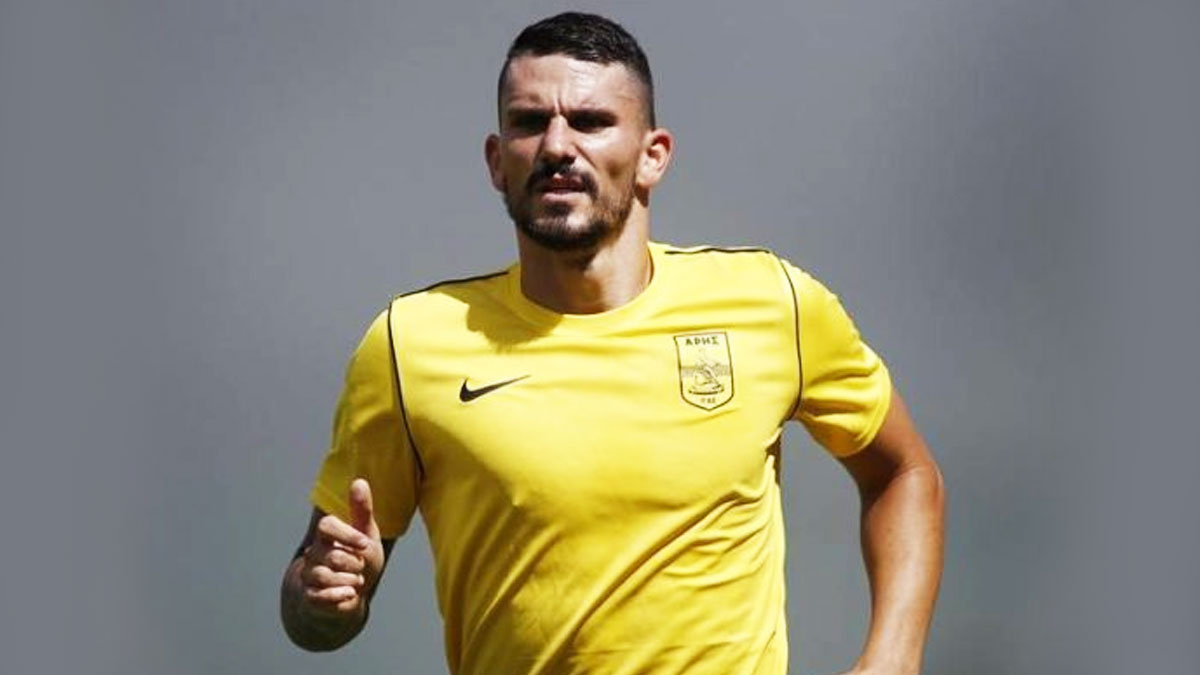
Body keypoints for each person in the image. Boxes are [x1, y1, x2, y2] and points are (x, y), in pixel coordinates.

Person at [280, 11, 944, 675]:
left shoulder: (772, 304)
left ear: (654, 155)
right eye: (529, 122)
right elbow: (314, 604)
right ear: (496, 161)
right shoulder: (411, 342)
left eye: (591, 121)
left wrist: (893, 656)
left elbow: (904, 473)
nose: (557, 146)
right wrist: (323, 597)